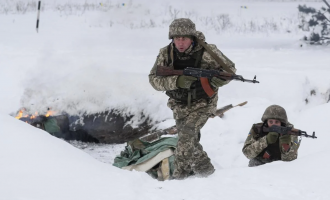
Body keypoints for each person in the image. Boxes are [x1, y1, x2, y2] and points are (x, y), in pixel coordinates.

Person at [148, 18, 236, 179]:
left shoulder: (208, 52)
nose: (180, 42)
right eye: (177, 38)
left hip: (203, 102)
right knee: (188, 139)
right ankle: (207, 171)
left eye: (185, 38)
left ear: (192, 38)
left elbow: (230, 71)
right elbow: (154, 80)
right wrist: (176, 81)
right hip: (179, 103)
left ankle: (179, 176)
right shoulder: (166, 54)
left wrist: (219, 80)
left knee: (187, 134)